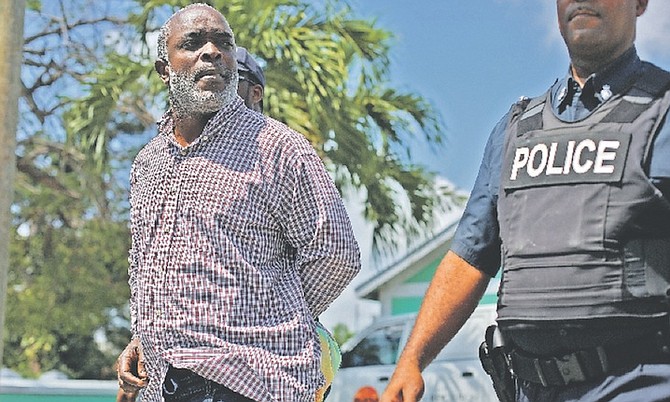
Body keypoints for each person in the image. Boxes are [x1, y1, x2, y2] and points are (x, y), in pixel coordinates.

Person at [381, 1, 670, 401]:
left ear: (639, 4)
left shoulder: (663, 110)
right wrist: (412, 360)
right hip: (529, 389)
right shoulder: (516, 129)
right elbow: (470, 257)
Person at [116, 4, 361, 402]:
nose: (212, 51)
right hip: (166, 383)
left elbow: (335, 255)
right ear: (165, 70)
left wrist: (264, 320)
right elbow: (144, 264)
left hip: (252, 381)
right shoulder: (149, 161)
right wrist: (145, 337)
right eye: (193, 43)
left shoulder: (279, 147)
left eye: (223, 43)